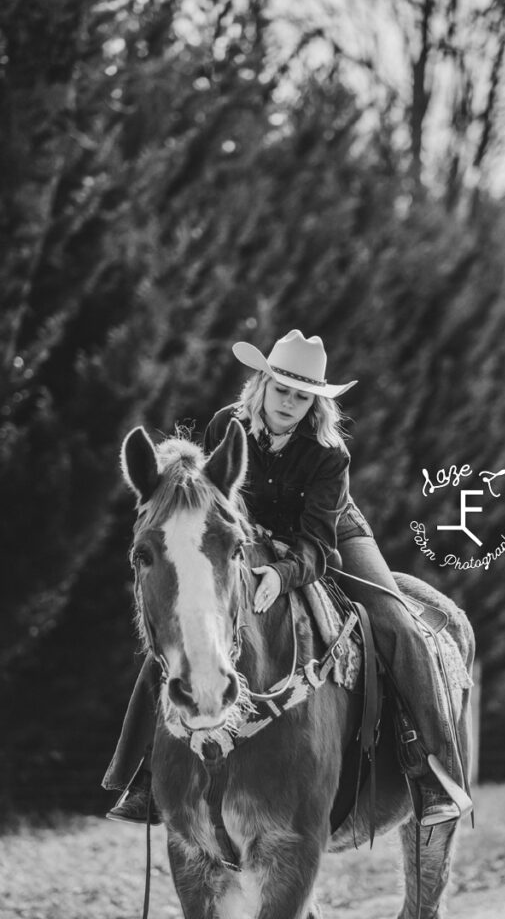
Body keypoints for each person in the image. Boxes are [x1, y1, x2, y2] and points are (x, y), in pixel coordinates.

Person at [104, 330, 472, 827]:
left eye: (303, 397)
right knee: (186, 625)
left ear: (314, 403)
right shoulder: (225, 426)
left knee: (397, 623)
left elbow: (318, 545)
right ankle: (145, 774)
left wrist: (280, 574)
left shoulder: (328, 453)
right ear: (262, 384)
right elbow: (213, 510)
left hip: (329, 535)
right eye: (282, 390)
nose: (290, 403)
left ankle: (432, 772)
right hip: (246, 538)